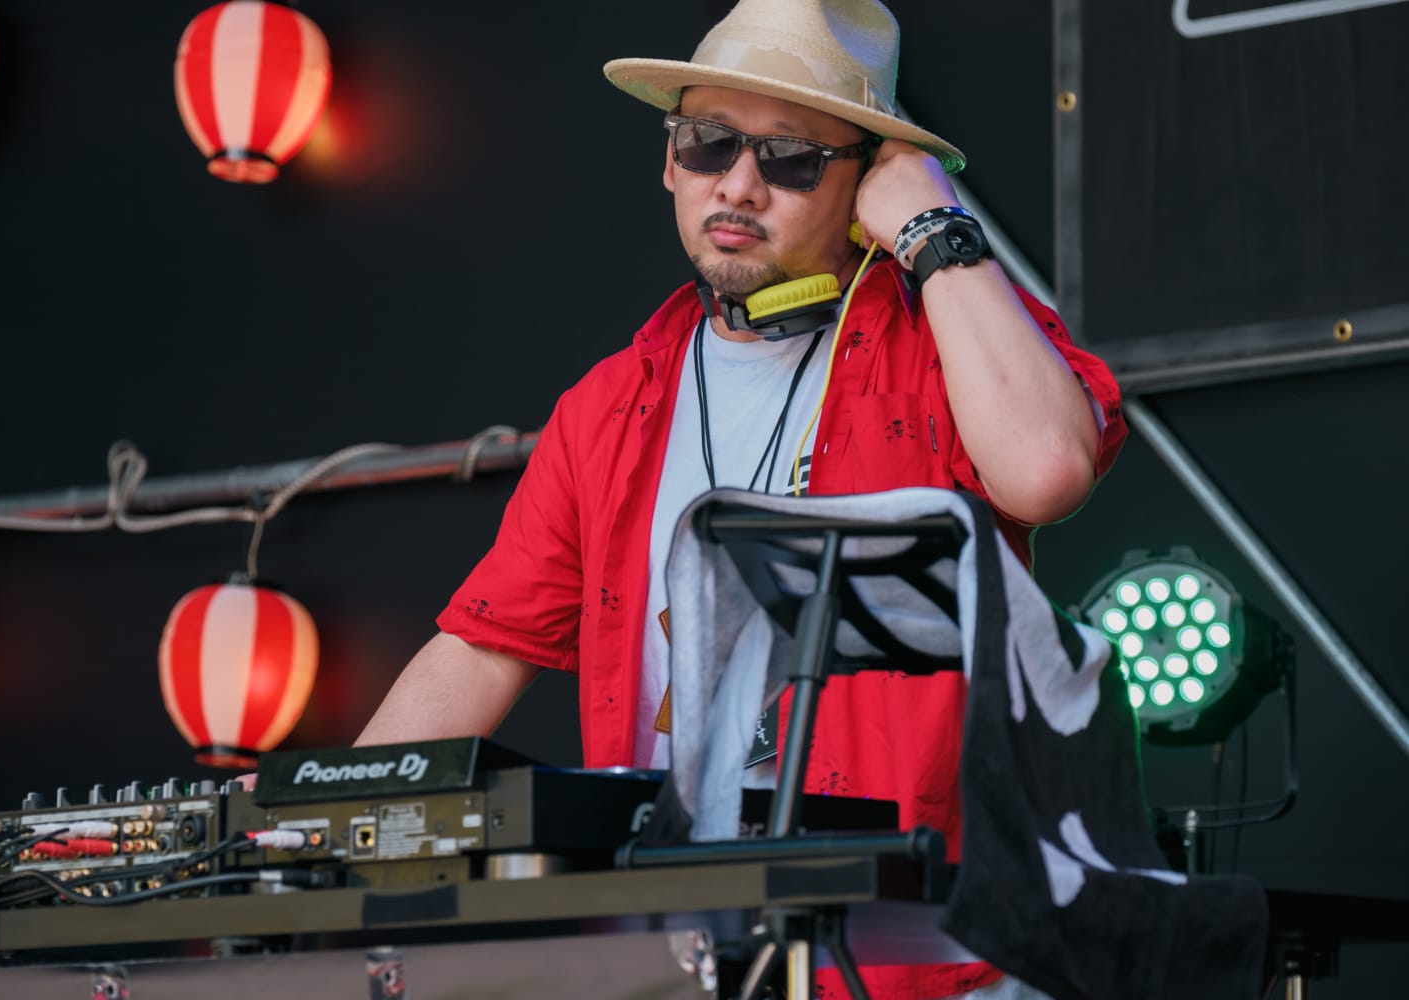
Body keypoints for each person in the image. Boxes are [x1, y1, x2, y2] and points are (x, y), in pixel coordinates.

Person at [357, 0, 1126, 996]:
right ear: (670, 160)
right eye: (709, 142)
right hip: (686, 955)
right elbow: (481, 645)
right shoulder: (609, 405)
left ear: (866, 183)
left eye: (794, 158)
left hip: (922, 959)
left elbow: (1048, 470)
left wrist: (936, 232)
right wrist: (309, 814)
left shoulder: (946, 340)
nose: (738, 183)